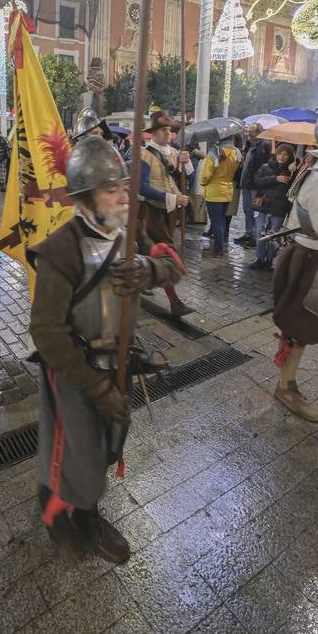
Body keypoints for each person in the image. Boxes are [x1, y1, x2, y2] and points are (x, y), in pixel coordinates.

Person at [28, 137, 184, 563]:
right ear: (84, 198)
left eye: (123, 186)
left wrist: (149, 268)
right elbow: (46, 332)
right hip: (76, 371)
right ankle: (73, 513)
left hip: (120, 364)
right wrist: (96, 388)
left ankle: (79, 505)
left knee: (110, 443)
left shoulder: (130, 232)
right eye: (111, 189)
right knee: (79, 449)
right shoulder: (60, 250)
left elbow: (174, 264)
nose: (123, 196)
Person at [271, 105, 318, 424]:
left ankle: (286, 384)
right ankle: (286, 387)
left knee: (304, 328)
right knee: (301, 328)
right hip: (317, 263)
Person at [139, 111, 192, 316]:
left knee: (152, 250)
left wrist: (186, 162)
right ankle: (174, 302)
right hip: (152, 209)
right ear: (153, 132)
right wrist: (173, 198)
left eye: (169, 130)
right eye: (163, 129)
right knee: (165, 252)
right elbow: (142, 188)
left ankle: (142, 279)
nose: (168, 133)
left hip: (172, 210)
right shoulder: (144, 154)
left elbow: (187, 178)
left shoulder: (175, 152)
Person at [250, 142, 294, 271]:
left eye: (285, 154)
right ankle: (259, 258)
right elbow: (257, 181)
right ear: (276, 154)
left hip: (279, 208)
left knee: (274, 234)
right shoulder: (266, 167)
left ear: (289, 156)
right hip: (264, 205)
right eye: (280, 153)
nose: (282, 156)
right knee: (259, 232)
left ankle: (269, 260)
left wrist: (293, 172)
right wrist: (275, 178)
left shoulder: (291, 171)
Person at [200, 136, 242, 257]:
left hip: (214, 191)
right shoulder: (236, 152)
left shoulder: (215, 151)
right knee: (222, 220)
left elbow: (207, 173)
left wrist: (202, 182)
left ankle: (218, 249)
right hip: (228, 190)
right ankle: (219, 246)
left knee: (216, 222)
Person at [234, 124, 271, 247]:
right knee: (247, 210)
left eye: (252, 132)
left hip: (255, 184)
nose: (249, 134)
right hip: (246, 183)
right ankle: (248, 233)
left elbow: (263, 167)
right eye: (249, 132)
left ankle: (255, 235)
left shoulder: (264, 145)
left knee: (255, 210)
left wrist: (261, 188)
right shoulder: (250, 145)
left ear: (259, 133)